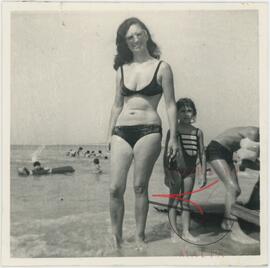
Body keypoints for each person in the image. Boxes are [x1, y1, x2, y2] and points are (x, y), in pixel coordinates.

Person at [107, 17, 178, 249]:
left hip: (149, 130)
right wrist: (109, 135)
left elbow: (170, 104)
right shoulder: (121, 69)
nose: (135, 40)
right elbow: (117, 104)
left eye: (138, 34)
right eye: (129, 37)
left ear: (146, 34)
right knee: (115, 188)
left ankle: (139, 237)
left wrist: (173, 138)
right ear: (124, 42)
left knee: (139, 186)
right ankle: (116, 239)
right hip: (121, 131)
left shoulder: (162, 67)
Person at [206, 126, 259, 243]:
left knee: (237, 190)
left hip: (226, 153)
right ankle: (234, 228)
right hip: (216, 150)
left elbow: (245, 163)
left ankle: (225, 222)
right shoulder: (254, 133)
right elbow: (245, 161)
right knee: (232, 188)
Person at [163, 98, 207, 243]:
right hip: (175, 169)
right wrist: (166, 173)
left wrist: (203, 174)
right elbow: (166, 154)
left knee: (186, 202)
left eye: (189, 111)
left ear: (194, 113)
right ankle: (174, 232)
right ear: (176, 114)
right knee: (174, 201)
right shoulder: (173, 131)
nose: (186, 114)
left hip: (190, 171)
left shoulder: (198, 133)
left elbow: (202, 154)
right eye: (182, 111)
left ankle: (186, 232)